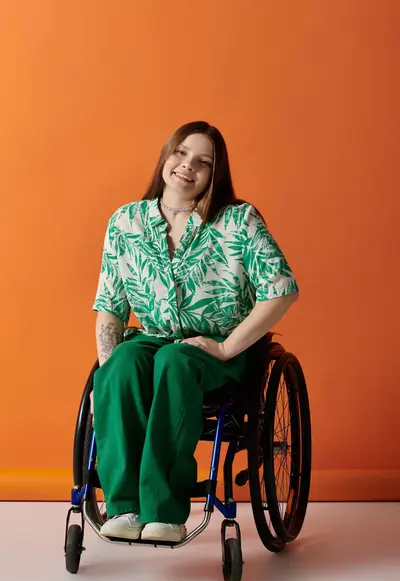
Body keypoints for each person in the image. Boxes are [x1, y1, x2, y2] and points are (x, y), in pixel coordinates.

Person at [91, 121, 299, 543]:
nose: (187, 166)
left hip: (214, 350)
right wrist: (105, 382)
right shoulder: (126, 222)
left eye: (202, 162)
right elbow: (110, 310)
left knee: (175, 359)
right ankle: (125, 508)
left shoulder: (237, 221)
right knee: (120, 365)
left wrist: (224, 348)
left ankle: (164, 512)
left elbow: (281, 290)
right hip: (153, 339)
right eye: (180, 154)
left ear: (214, 174)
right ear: (165, 156)